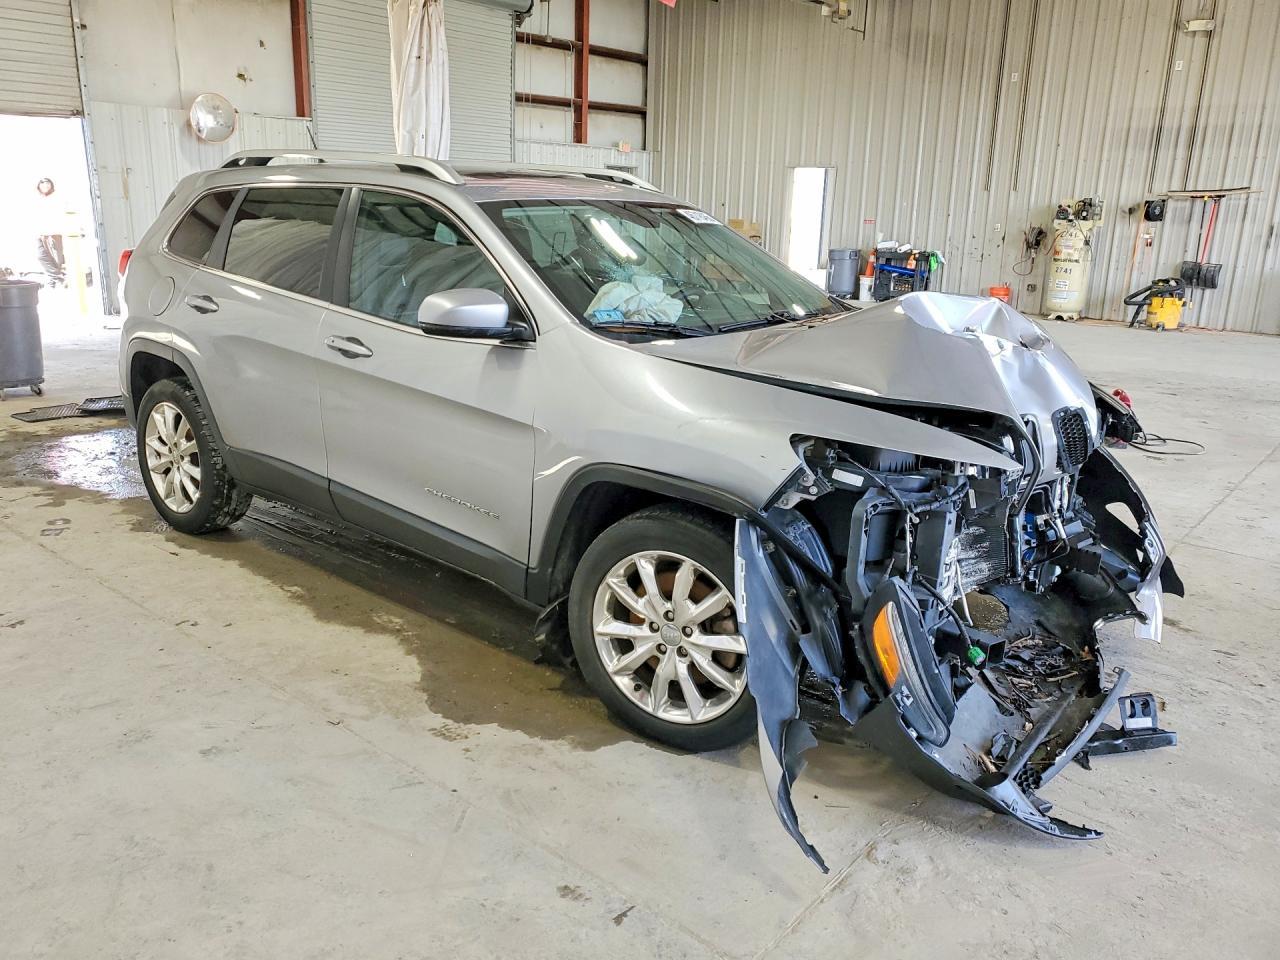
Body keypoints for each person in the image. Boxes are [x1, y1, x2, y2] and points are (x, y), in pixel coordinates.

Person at [34, 177, 67, 286]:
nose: (46, 187)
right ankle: (56, 278)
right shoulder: (38, 199)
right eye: (43, 185)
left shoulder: (56, 198)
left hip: (53, 233)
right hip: (41, 234)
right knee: (41, 256)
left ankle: (58, 279)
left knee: (57, 259)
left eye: (48, 185)